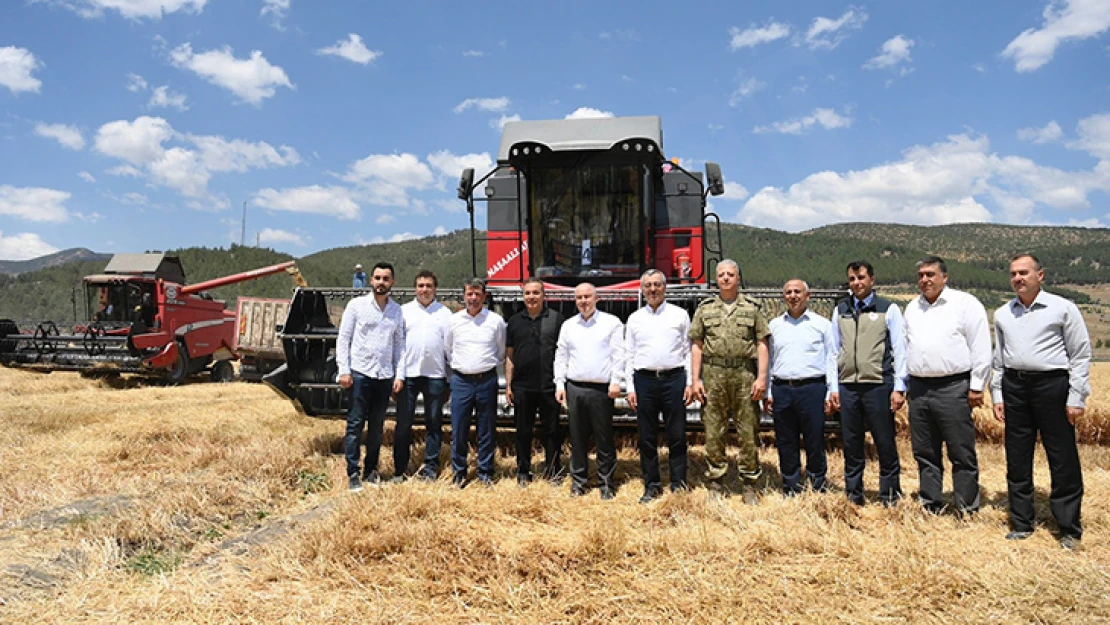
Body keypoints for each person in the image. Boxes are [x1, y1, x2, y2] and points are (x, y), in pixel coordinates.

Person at [991, 254, 1091, 549]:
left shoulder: (1063, 308)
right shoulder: (1003, 313)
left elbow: (1081, 355)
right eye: (1013, 274)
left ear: (1040, 275)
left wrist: (1076, 397)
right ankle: (1022, 522)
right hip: (1015, 387)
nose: (1018, 278)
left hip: (1052, 386)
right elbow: (999, 359)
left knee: (1062, 459)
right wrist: (997, 393)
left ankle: (1069, 528)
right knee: (1017, 457)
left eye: (1024, 272)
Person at [903, 255, 991, 515]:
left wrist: (977, 385)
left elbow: (981, 346)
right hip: (918, 389)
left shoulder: (964, 304)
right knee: (925, 451)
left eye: (930, 274)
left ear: (944, 277)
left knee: (960, 450)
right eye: (921, 275)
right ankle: (930, 503)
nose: (925, 280)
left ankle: (966, 507)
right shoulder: (912, 308)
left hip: (953, 387)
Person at [690, 259, 770, 505]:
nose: (725, 278)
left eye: (730, 274)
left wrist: (762, 377)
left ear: (738, 278)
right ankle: (716, 482)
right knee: (714, 430)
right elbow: (697, 345)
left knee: (748, 430)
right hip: (713, 374)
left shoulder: (753, 308)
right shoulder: (705, 309)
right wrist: (695, 379)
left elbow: (762, 343)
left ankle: (749, 484)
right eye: (721, 274)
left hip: (744, 374)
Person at [828, 260, 907, 506]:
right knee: (851, 443)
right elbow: (832, 351)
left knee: (884, 441)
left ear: (872, 280)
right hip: (848, 385)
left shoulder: (888, 309)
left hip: (878, 384)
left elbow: (900, 349)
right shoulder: (840, 310)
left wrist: (899, 386)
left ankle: (890, 495)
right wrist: (833, 387)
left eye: (861, 278)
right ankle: (854, 495)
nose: (857, 283)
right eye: (852, 279)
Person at [336, 262, 405, 492]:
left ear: (392, 282)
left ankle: (371, 470)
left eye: (386, 279)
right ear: (371, 280)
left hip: (384, 376)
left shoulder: (397, 311)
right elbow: (343, 339)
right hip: (360, 373)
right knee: (355, 424)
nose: (381, 282)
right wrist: (343, 370)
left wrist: (399, 374)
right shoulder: (356, 306)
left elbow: (399, 346)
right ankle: (353, 473)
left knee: (377, 426)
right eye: (377, 278)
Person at [625, 269, 693, 503]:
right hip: (644, 381)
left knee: (677, 435)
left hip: (674, 379)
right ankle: (652, 485)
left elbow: (688, 351)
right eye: (648, 286)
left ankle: (678, 484)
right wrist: (630, 388)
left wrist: (691, 382)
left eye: (657, 285)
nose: (652, 290)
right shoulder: (635, 319)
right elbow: (629, 354)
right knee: (646, 436)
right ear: (642, 290)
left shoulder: (680, 315)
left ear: (665, 287)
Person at [765, 279, 837, 496]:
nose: (793, 295)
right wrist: (769, 392)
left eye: (798, 291)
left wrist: (831, 390)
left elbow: (832, 358)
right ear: (783, 296)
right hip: (782, 388)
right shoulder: (775, 326)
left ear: (808, 295)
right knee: (786, 440)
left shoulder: (822, 325)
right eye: (788, 292)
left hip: (812, 388)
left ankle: (817, 485)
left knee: (814, 438)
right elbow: (769, 361)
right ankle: (791, 485)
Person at [554, 282, 625, 500]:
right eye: (579, 298)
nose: (583, 301)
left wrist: (616, 382)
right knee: (577, 439)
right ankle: (579, 482)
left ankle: (606, 484)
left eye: (587, 297)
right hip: (575, 387)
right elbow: (561, 356)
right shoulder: (568, 326)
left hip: (602, 390)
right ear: (575, 300)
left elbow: (619, 355)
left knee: (604, 439)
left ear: (596, 298)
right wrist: (559, 383)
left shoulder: (611, 323)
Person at [445, 277, 506, 488]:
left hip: (486, 380)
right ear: (464, 296)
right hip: (461, 380)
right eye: (469, 293)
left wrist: (482, 365)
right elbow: (448, 349)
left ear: (484, 296)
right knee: (459, 428)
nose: (473, 298)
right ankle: (459, 473)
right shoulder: (453, 321)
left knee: (486, 429)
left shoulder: (495, 321)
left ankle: (485, 473)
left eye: (477, 294)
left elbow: (500, 352)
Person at [505, 277, 565, 486]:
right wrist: (509, 385)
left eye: (535, 292)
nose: (531, 297)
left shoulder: (557, 319)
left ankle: (553, 472)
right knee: (523, 432)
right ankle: (523, 471)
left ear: (544, 294)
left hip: (549, 386)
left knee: (552, 431)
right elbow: (510, 356)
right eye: (528, 293)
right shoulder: (514, 321)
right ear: (523, 296)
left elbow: (563, 353)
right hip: (522, 387)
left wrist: (561, 383)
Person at [395, 270, 452, 483]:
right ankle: (400, 470)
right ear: (415, 288)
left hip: (435, 376)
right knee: (403, 424)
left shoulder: (445, 314)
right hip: (408, 375)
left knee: (434, 424)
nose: (424, 289)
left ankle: (430, 469)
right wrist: (397, 376)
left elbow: (449, 350)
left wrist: (448, 380)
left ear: (435, 288)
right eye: (420, 286)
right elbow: (397, 346)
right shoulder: (403, 312)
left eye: (428, 285)